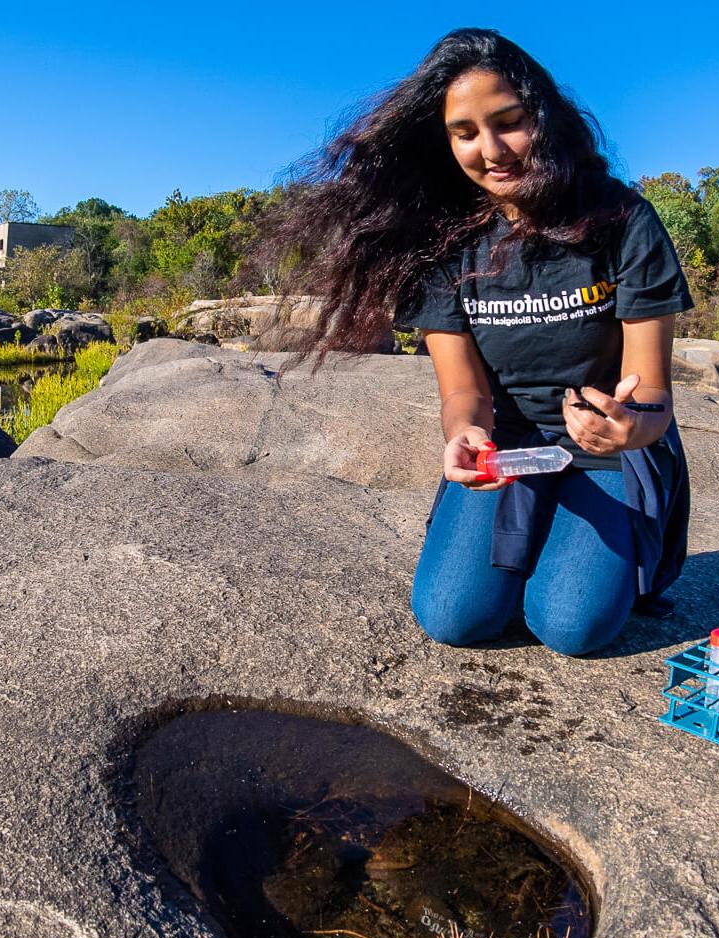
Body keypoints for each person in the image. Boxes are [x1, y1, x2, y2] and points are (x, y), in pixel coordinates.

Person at [265, 28, 692, 655]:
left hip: (605, 447)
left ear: (544, 117)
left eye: (508, 122)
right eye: (464, 132)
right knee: (452, 618)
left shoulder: (622, 221)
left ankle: (612, 550)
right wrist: (465, 436)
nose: (490, 149)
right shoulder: (440, 243)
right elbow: (464, 390)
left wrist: (633, 426)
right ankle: (534, 539)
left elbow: (652, 391)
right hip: (509, 450)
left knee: (571, 627)